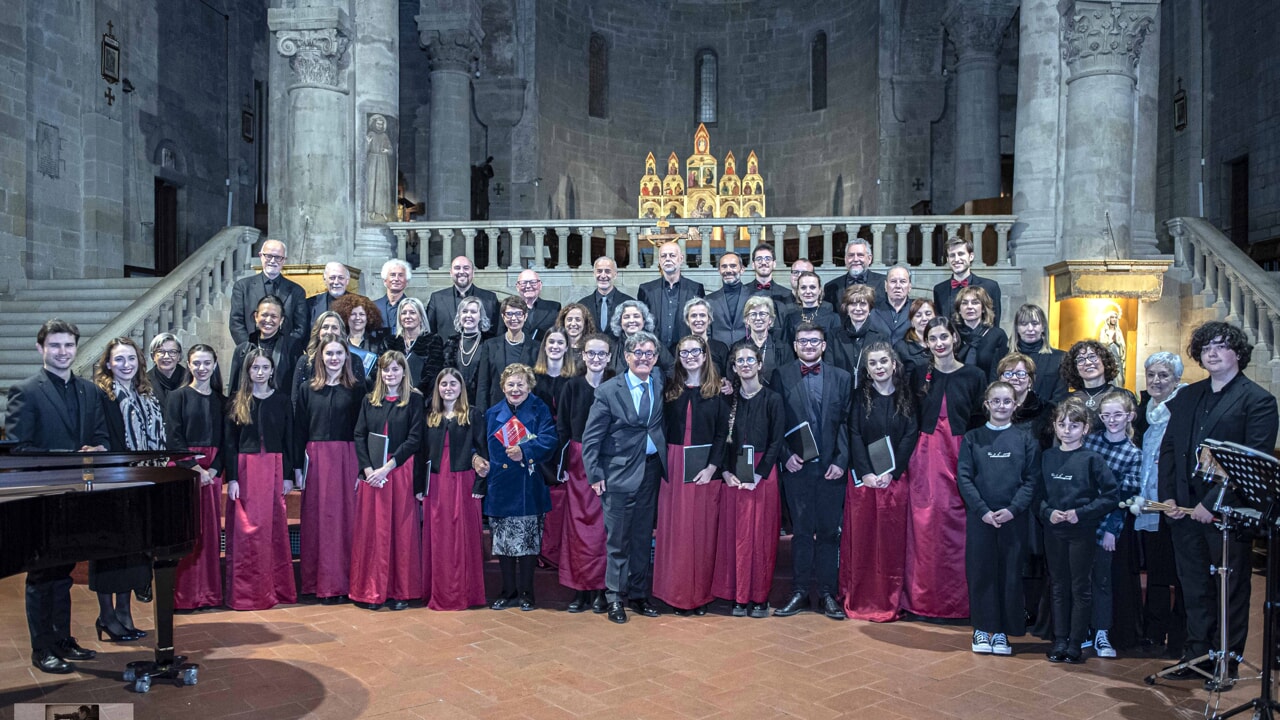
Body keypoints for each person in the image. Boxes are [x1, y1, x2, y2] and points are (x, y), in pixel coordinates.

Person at [1159, 321, 1278, 684]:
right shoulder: (1186, 396)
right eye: (1206, 346)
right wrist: (1169, 497)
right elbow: (1169, 450)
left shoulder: (1257, 400)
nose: (1212, 352)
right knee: (1193, 587)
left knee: (1229, 590)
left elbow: (1252, 461)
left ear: (1238, 353)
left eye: (1222, 346)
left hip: (1226, 515)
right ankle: (1197, 656)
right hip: (1183, 509)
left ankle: (1227, 662)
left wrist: (1211, 504)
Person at [5, 319, 107, 674]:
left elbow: (100, 435)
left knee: (63, 571)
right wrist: (68, 455)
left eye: (68, 346)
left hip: (77, 494)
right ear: (41, 349)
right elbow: (19, 448)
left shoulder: (89, 391)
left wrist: (98, 447)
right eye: (55, 346)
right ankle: (41, 648)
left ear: (75, 349)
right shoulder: (26, 391)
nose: (62, 352)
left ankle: (63, 639)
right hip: (41, 495)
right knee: (40, 575)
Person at [902, 317, 987, 620]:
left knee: (960, 527)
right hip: (924, 456)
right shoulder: (917, 375)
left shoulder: (975, 375)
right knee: (924, 526)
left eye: (944, 337)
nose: (939, 343)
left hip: (961, 454)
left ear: (954, 338)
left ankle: (959, 603)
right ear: (925, 342)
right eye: (933, 338)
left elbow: (980, 421)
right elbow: (909, 416)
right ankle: (923, 602)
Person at [581, 331, 668, 624]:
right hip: (617, 475)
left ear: (655, 358)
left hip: (651, 471)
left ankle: (639, 595)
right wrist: (594, 474)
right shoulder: (608, 391)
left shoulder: (658, 381)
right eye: (638, 353)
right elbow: (591, 439)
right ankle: (614, 597)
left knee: (643, 538)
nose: (644, 358)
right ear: (627, 356)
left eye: (649, 353)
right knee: (618, 540)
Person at [771, 323, 852, 620]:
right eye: (803, 340)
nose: (808, 345)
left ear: (824, 345)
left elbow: (847, 422)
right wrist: (785, 455)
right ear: (794, 345)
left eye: (814, 340)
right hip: (798, 468)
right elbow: (775, 420)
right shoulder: (782, 375)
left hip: (831, 468)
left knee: (830, 533)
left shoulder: (842, 378)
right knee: (802, 532)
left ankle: (828, 594)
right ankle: (800, 591)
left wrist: (841, 461)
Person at [957, 381, 1041, 656]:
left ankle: (1003, 631)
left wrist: (1013, 509)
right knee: (981, 572)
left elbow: (1031, 480)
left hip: (1013, 519)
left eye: (1007, 401)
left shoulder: (1026, 439)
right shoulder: (973, 438)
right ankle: (982, 628)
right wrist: (982, 510)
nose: (1002, 406)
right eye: (996, 401)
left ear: (1015, 405)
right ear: (987, 404)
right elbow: (965, 478)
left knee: (1009, 574)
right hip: (981, 518)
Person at [91, 337, 166, 642]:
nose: (126, 365)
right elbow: (98, 437)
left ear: (139, 362)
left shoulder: (147, 394)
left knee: (134, 553)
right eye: (119, 359)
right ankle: (107, 615)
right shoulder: (102, 396)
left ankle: (124, 612)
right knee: (109, 551)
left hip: (143, 483)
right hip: (114, 483)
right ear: (108, 364)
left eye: (131, 359)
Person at [840, 341, 918, 622]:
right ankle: (859, 596)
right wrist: (867, 473)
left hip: (894, 484)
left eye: (883, 361)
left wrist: (892, 473)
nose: (879, 367)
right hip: (865, 484)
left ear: (894, 364)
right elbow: (854, 433)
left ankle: (889, 596)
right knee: (862, 540)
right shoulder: (860, 397)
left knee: (891, 544)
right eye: (873, 363)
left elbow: (910, 434)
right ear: (867, 369)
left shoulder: (906, 395)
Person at [653, 335, 729, 615]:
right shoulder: (668, 387)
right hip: (672, 465)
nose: (690, 356)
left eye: (696, 351)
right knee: (675, 532)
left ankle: (699, 596)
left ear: (705, 353)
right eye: (684, 352)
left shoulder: (718, 391)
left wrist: (712, 467)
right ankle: (673, 593)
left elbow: (723, 434)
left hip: (703, 469)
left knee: (701, 534)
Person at [1040, 397, 1119, 664]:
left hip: (1081, 531)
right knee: (1058, 586)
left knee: (1080, 586)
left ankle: (1075, 643)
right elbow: (1036, 495)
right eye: (1062, 425)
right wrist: (1048, 512)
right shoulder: (1047, 457)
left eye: (1074, 426)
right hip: (1053, 532)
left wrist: (1080, 513)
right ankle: (1059, 640)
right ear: (1054, 426)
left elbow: (1111, 496)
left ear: (1085, 429)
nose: (1067, 430)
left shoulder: (1092, 459)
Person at [713, 341, 785, 618]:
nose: (744, 364)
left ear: (759, 364)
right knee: (737, 539)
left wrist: (759, 474)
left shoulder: (773, 399)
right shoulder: (728, 400)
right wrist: (726, 472)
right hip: (734, 476)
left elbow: (777, 441)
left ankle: (758, 597)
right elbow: (721, 441)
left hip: (761, 475)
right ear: (733, 368)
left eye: (749, 360)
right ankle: (739, 596)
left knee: (760, 539)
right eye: (739, 361)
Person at [223, 348, 297, 611]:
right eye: (255, 368)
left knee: (273, 528)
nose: (261, 372)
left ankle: (274, 588)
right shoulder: (236, 400)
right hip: (246, 469)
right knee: (247, 531)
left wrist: (289, 474)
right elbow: (229, 444)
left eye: (265, 367)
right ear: (248, 371)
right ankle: (246, 593)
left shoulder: (282, 400)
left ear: (272, 370)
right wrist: (232, 478)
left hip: (274, 468)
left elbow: (289, 440)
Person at [350, 351, 424, 611]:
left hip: (399, 471)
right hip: (372, 474)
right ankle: (371, 589)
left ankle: (399, 591)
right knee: (374, 533)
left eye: (395, 369)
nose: (390, 373)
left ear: (404, 372)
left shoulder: (414, 400)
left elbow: (415, 439)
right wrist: (369, 469)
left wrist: (387, 468)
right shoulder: (370, 400)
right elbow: (359, 435)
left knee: (400, 533)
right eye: (386, 369)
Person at [293, 333, 363, 604]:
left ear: (347, 357)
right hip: (317, 459)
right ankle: (319, 582)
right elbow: (299, 429)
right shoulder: (307, 389)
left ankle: (346, 582)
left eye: (339, 353)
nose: (334, 358)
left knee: (347, 520)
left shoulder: (358, 389)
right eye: (329, 353)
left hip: (348, 457)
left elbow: (363, 430)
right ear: (320, 357)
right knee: (319, 520)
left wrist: (362, 468)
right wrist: (298, 467)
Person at [481, 363, 558, 610]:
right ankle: (507, 591)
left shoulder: (539, 408)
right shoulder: (493, 413)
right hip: (501, 485)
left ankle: (527, 592)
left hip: (529, 483)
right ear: (503, 387)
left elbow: (550, 439)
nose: (515, 389)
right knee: (501, 543)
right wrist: (476, 459)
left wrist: (525, 451)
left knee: (528, 544)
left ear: (529, 386)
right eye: (511, 384)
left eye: (520, 384)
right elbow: (479, 444)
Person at [1131, 352, 1187, 658]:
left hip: (1174, 503)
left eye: (1164, 375)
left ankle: (1178, 636)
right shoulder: (1146, 412)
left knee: (1178, 575)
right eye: (1151, 374)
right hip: (1149, 503)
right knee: (1155, 572)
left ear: (1177, 379)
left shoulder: (1182, 410)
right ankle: (1154, 632)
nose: (1156, 381)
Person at [418, 368, 488, 610]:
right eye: (444, 384)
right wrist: (420, 486)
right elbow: (422, 455)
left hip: (463, 482)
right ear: (438, 389)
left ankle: (466, 593)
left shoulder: (473, 414)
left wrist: (480, 484)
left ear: (461, 388)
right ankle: (438, 591)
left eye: (453, 384)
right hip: (436, 484)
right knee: (439, 538)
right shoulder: (430, 416)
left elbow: (482, 451)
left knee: (463, 537)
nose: (448, 388)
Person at [1081, 391, 1142, 659]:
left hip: (1106, 525)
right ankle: (1081, 628)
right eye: (1106, 415)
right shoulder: (1090, 442)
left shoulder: (1133, 454)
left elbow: (1125, 498)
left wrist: (1111, 529)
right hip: (1080, 520)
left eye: (1118, 414)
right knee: (1078, 579)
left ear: (1129, 415)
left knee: (1102, 581)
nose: (1111, 420)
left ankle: (1102, 632)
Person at [165, 344, 226, 612]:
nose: (201, 368)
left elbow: (226, 441)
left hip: (213, 472)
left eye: (207, 363)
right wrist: (196, 469)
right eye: (196, 363)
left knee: (209, 533)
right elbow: (173, 438)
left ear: (214, 365)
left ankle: (209, 594)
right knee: (189, 531)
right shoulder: (177, 397)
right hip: (185, 470)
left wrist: (214, 470)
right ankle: (186, 595)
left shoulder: (221, 400)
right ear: (188, 365)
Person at [555, 334, 614, 613]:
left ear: (609, 357)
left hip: (607, 461)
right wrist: (563, 465)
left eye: (602, 354)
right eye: (591, 353)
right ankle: (580, 589)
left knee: (604, 530)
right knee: (578, 528)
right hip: (578, 465)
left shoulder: (616, 386)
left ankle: (602, 589)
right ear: (583, 356)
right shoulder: (572, 387)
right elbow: (562, 430)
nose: (596, 359)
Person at [532, 327, 581, 568]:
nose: (555, 346)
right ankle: (541, 551)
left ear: (566, 347)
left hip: (565, 445)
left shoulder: (574, 379)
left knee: (561, 499)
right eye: (550, 341)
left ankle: (559, 552)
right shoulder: (533, 377)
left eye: (560, 342)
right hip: (538, 445)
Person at [229, 238, 308, 344]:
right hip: (251, 354)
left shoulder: (297, 291)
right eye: (268, 256)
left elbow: (300, 328)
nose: (272, 261)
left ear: (284, 260)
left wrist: (283, 350)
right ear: (261, 256)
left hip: (285, 355)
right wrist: (250, 349)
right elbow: (236, 323)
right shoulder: (242, 287)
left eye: (278, 257)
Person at [228, 294, 303, 395]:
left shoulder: (293, 347)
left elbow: (297, 386)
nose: (268, 320)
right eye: (264, 315)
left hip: (281, 407)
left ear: (281, 320)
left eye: (274, 316)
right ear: (256, 317)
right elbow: (234, 388)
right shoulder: (243, 349)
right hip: (247, 406)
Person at [638, 240, 705, 348]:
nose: (667, 259)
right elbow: (641, 326)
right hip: (655, 354)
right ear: (659, 260)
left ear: (681, 259)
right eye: (663, 256)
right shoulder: (646, 290)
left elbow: (701, 323)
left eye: (672, 255)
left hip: (686, 353)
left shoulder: (695, 289)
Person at [476, 296, 539, 409]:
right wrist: (481, 413)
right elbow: (483, 384)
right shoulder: (490, 345)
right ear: (503, 317)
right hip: (496, 409)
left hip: (528, 411)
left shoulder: (536, 347)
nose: (514, 318)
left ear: (525, 316)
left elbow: (538, 385)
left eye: (519, 314)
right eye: (509, 314)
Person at [932, 236, 1003, 329]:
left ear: (971, 256)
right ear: (947, 259)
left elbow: (995, 324)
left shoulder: (990, 287)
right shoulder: (939, 290)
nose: (956, 259)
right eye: (952, 255)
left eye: (961, 254)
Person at [426, 255, 500, 340]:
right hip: (445, 352)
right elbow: (430, 332)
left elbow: (497, 333)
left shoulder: (490, 299)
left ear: (473, 272)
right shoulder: (437, 298)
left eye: (466, 268)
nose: (461, 271)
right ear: (451, 273)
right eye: (457, 268)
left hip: (480, 351)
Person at [384, 296, 444, 397]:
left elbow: (434, 372)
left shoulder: (433, 340)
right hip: (394, 395)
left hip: (422, 396)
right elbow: (383, 369)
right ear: (399, 317)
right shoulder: (390, 342)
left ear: (421, 316)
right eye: (404, 313)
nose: (407, 316)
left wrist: (418, 389)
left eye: (412, 312)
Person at [826, 284, 886, 380]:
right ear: (846, 308)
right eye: (853, 304)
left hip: (870, 389)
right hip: (841, 390)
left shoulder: (881, 336)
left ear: (870, 308)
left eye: (863, 304)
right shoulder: (834, 335)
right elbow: (829, 368)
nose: (858, 308)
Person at [442, 295, 493, 405]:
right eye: (464, 311)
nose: (468, 315)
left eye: (473, 312)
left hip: (480, 402)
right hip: (455, 402)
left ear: (481, 316)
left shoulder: (489, 343)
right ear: (459, 315)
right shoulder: (450, 344)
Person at [1061, 339, 1133, 415]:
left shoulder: (1124, 396)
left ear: (1104, 361)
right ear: (1075, 368)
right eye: (1080, 360)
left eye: (1092, 357)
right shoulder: (1066, 401)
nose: (1088, 363)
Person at [733, 296, 793, 385]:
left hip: (776, 397)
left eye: (762, 314)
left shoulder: (783, 348)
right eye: (753, 314)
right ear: (747, 320)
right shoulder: (736, 347)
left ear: (771, 319)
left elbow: (789, 378)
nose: (758, 318)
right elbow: (732, 378)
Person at [1013, 303, 1066, 403]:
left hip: (1047, 416)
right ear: (1017, 328)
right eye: (1024, 324)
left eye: (1035, 323)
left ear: (1043, 327)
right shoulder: (1002, 355)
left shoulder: (1060, 358)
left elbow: (1059, 398)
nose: (1030, 329)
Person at [609, 299, 675, 379]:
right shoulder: (613, 346)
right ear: (620, 322)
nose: (632, 320)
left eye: (636, 316)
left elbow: (671, 369)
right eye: (626, 317)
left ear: (644, 320)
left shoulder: (656, 344)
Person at [578, 257, 635, 340]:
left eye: (608, 271)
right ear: (593, 274)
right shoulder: (582, 305)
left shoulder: (630, 304)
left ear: (615, 274)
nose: (603, 275)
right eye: (599, 271)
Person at [781, 270, 841, 347]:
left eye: (812, 287)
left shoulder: (833, 318)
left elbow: (836, 348)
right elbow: (786, 350)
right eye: (803, 287)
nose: (808, 291)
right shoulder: (790, 318)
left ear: (819, 290)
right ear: (798, 291)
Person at [331, 293, 386, 374]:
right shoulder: (338, 343)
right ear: (346, 317)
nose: (357, 318)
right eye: (353, 314)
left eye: (362, 314)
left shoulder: (378, 344)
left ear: (369, 317)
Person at [823, 238, 886, 308]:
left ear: (869, 259)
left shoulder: (884, 283)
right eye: (851, 255)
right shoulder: (830, 287)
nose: (855, 259)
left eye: (860, 255)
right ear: (845, 259)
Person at [706, 252, 750, 347]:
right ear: (719, 270)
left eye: (733, 266)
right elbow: (707, 332)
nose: (728, 270)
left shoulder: (753, 297)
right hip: (718, 355)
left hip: (746, 354)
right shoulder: (709, 300)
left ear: (742, 269)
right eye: (724, 266)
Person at [894, 299, 937, 388]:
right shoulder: (901, 347)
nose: (924, 318)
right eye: (918, 315)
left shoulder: (943, 344)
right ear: (912, 322)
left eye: (928, 314)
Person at [682, 298, 730, 378]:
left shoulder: (721, 348)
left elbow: (726, 377)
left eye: (702, 315)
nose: (698, 319)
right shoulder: (679, 348)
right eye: (694, 316)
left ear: (709, 319)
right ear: (687, 320)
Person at [867, 265, 914, 345]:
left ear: (909, 286)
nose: (898, 286)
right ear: (885, 285)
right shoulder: (872, 309)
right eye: (893, 281)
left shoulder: (917, 310)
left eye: (903, 281)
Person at [747, 244, 795, 315]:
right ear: (753, 265)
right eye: (759, 259)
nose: (763, 263)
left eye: (768, 259)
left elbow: (791, 322)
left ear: (774, 264)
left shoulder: (787, 294)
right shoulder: (743, 292)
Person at [516, 269, 562, 342]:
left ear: (540, 285)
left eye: (533, 282)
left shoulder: (554, 308)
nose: (528, 286)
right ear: (517, 287)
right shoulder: (509, 309)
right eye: (523, 283)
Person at [145, 333, 189, 410]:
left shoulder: (190, 379)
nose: (166, 356)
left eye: (172, 352)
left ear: (179, 356)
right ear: (153, 356)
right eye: (161, 351)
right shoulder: (144, 381)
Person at [307, 262, 354, 328]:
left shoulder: (361, 303)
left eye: (341, 278)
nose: (336, 282)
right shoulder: (310, 304)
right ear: (325, 280)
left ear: (347, 281)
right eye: (332, 278)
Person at [373, 259, 411, 336]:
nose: (396, 279)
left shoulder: (414, 307)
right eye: (392, 275)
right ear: (384, 281)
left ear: (406, 282)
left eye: (400, 275)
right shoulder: (373, 306)